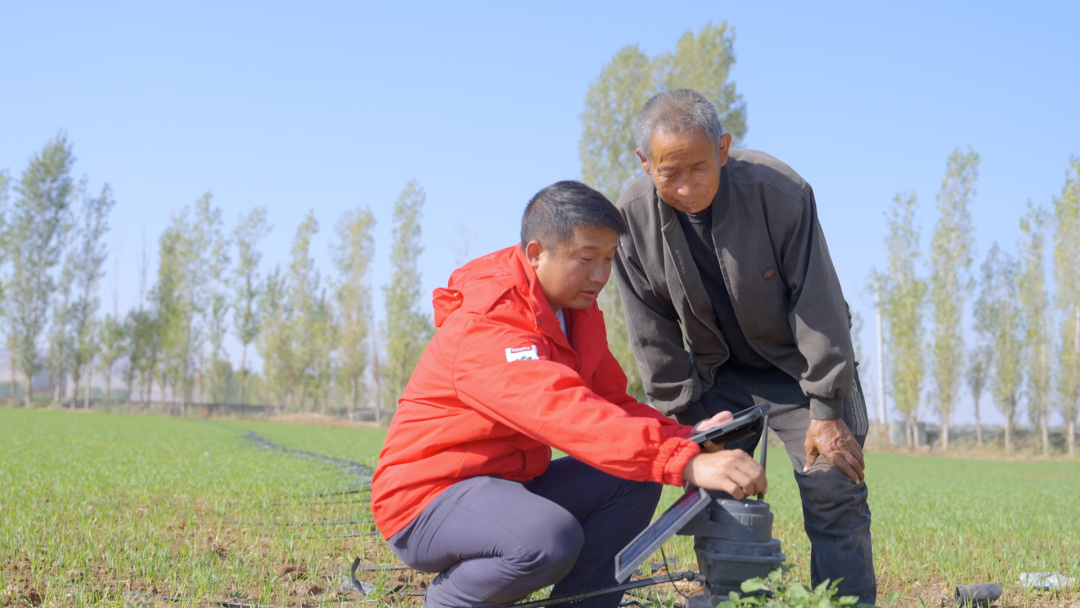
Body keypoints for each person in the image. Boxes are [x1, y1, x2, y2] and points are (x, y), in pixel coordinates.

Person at [371, 180, 767, 608]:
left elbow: (612, 402)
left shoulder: (574, 315)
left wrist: (684, 437)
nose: (600, 276)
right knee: (548, 539)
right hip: (429, 499)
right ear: (536, 253)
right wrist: (681, 462)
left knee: (633, 479)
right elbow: (559, 410)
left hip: (509, 485)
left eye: (608, 260)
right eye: (586, 258)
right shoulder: (489, 321)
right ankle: (451, 600)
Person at [611, 89, 876, 604]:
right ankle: (732, 597)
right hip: (718, 376)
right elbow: (653, 336)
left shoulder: (780, 192)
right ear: (645, 164)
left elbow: (818, 303)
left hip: (802, 370)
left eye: (699, 168)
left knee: (832, 484)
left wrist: (826, 408)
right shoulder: (632, 222)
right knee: (717, 489)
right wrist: (683, 426)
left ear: (723, 149)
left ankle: (845, 602)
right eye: (669, 173)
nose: (686, 187)